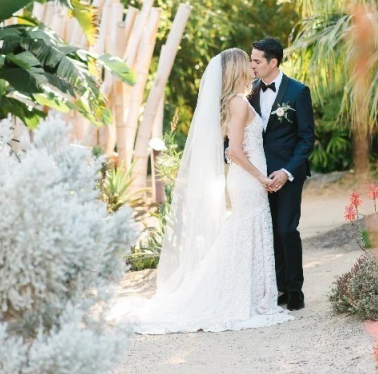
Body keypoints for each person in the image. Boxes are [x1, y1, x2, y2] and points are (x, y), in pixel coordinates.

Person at [113, 48, 292, 334]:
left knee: (246, 231)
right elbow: (233, 151)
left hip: (247, 179)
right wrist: (260, 176)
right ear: (236, 68)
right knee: (246, 230)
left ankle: (252, 294)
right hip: (248, 179)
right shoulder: (238, 104)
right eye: (246, 60)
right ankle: (238, 296)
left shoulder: (239, 101)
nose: (251, 64)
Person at [249, 37, 315, 311]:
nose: (251, 65)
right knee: (269, 232)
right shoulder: (249, 91)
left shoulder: (298, 91)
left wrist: (287, 171)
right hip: (257, 176)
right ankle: (280, 289)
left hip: (287, 173)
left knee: (287, 229)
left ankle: (295, 289)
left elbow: (306, 138)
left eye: (256, 61)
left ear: (272, 62)